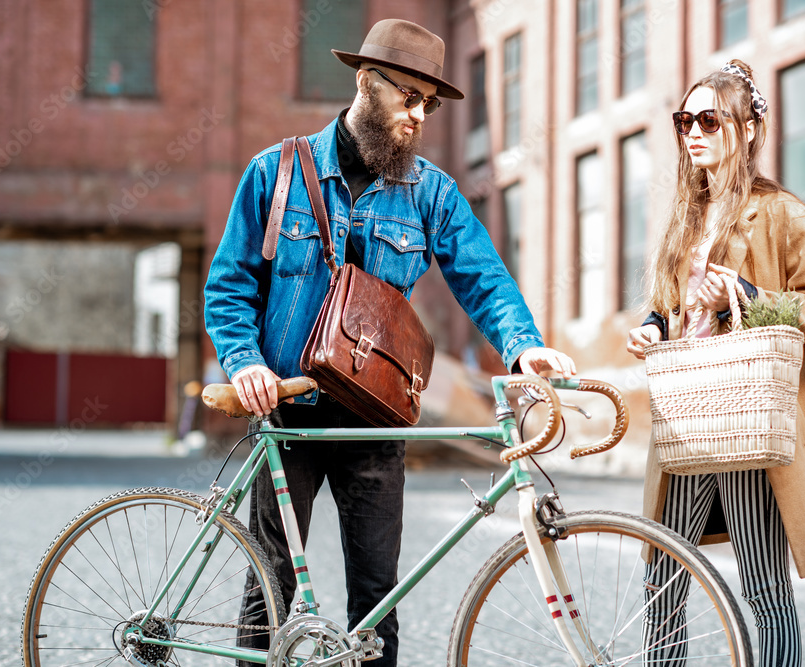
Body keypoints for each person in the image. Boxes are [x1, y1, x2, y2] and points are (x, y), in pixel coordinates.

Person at [204, 18, 576, 666]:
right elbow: (228, 286)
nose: (419, 114)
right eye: (409, 96)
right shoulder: (276, 172)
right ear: (366, 83)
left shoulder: (430, 190)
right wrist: (246, 363)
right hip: (288, 412)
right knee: (268, 589)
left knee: (377, 600)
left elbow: (483, 276)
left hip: (376, 420)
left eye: (429, 103)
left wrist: (523, 346)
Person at [625, 60, 805, 666]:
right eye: (685, 120)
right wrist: (654, 327)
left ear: (749, 128)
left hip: (746, 419)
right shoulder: (684, 215)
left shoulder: (784, 213)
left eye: (709, 119)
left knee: (762, 589)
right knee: (663, 580)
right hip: (686, 416)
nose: (693, 132)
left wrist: (748, 298)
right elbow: (669, 302)